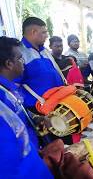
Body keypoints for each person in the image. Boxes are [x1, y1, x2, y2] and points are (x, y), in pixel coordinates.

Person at [0, 36, 53, 178]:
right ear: (9, 64)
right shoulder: (2, 97)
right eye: (20, 59)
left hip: (33, 154)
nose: (23, 63)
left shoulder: (10, 89)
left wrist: (36, 119)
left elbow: (20, 115)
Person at [16, 17, 67, 146]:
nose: (46, 36)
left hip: (57, 107)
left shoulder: (45, 51)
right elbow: (16, 87)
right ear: (33, 32)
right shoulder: (20, 53)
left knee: (64, 147)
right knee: (49, 148)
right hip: (39, 112)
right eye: (44, 32)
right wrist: (33, 115)